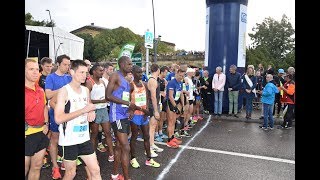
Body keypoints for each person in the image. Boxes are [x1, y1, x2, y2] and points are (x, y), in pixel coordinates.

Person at [54, 60, 102, 180]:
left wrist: (91, 112)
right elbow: (58, 119)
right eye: (81, 72)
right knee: (71, 173)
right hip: (69, 141)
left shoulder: (85, 90)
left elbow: (89, 106)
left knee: (95, 170)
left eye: (86, 72)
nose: (84, 75)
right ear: (71, 72)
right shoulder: (64, 91)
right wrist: (84, 111)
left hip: (84, 138)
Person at [106, 56, 139, 180]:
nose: (131, 66)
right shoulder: (115, 75)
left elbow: (127, 98)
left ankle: (114, 174)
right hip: (116, 116)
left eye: (131, 64)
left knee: (120, 147)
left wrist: (130, 109)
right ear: (122, 64)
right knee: (126, 147)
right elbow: (108, 95)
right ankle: (126, 177)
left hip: (124, 115)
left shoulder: (126, 81)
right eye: (129, 64)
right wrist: (127, 104)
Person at [45, 54, 72, 179]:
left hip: (68, 113)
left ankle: (64, 162)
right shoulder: (51, 77)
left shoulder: (69, 77)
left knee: (66, 138)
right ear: (58, 64)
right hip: (55, 112)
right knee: (55, 139)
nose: (67, 67)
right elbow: (48, 94)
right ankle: (55, 166)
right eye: (65, 64)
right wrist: (63, 89)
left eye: (68, 64)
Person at [129, 65, 161, 169]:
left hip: (144, 115)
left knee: (146, 136)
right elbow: (127, 101)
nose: (141, 74)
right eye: (138, 72)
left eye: (142, 72)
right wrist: (130, 111)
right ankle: (132, 158)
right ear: (133, 73)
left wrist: (146, 110)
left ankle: (149, 159)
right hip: (135, 116)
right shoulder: (130, 85)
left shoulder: (145, 84)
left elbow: (147, 98)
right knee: (134, 137)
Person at [25, 58, 50, 180]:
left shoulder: (40, 90)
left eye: (37, 69)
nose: (36, 72)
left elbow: (45, 107)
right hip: (26, 135)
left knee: (36, 167)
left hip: (40, 133)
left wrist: (46, 124)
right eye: (31, 69)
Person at [85, 64, 114, 162]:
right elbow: (87, 100)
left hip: (104, 110)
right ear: (94, 72)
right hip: (94, 111)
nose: (102, 72)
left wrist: (107, 99)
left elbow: (106, 95)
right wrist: (101, 101)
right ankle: (93, 157)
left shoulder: (102, 81)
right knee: (94, 134)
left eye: (102, 70)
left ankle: (111, 154)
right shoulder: (89, 83)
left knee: (108, 132)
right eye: (100, 70)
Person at [147, 64, 165, 153]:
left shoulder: (153, 80)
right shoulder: (153, 81)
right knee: (152, 126)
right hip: (153, 106)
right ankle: (150, 147)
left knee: (153, 126)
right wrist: (156, 111)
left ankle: (152, 144)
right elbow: (153, 97)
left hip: (155, 105)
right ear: (158, 70)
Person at [165, 69, 185, 148]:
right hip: (170, 103)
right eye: (180, 75)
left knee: (173, 122)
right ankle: (169, 140)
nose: (181, 77)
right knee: (170, 122)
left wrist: (182, 106)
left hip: (176, 102)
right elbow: (170, 96)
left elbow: (181, 94)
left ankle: (172, 138)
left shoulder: (180, 82)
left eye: (183, 76)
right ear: (176, 74)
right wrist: (175, 107)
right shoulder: (172, 83)